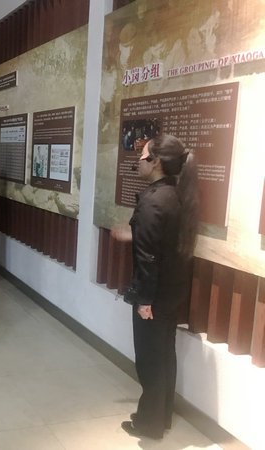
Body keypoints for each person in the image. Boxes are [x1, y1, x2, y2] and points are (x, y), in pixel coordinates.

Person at [111, 134, 198, 439]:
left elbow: (148, 257)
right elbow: (163, 243)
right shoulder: (177, 195)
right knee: (165, 355)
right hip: (172, 292)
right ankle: (162, 417)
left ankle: (148, 424)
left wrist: (145, 300)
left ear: (156, 161)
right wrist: (133, 234)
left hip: (154, 296)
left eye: (142, 156)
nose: (138, 162)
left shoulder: (153, 200)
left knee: (150, 361)